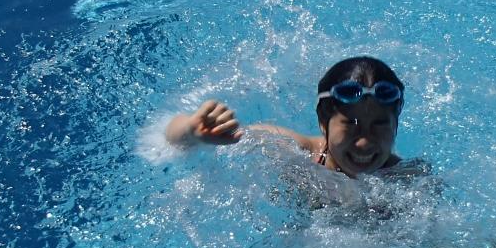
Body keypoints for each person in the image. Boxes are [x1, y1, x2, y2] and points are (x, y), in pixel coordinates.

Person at [166, 56, 415, 179]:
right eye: (351, 125)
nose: (364, 142)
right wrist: (191, 131)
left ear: (396, 125)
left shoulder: (407, 178)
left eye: (380, 125)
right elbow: (172, 138)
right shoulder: (296, 153)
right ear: (323, 123)